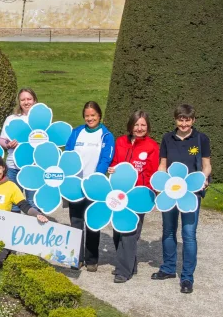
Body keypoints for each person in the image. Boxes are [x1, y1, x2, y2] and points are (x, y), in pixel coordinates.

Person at [152, 104, 211, 294]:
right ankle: (169, 268)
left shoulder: (201, 139)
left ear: (193, 120)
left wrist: (203, 179)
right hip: (170, 193)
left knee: (188, 234)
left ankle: (187, 277)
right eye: (180, 119)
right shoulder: (167, 138)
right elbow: (162, 164)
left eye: (187, 120)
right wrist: (160, 183)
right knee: (168, 230)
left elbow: (206, 165)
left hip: (190, 194)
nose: (184, 123)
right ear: (175, 120)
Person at [0, 153, 50, 265]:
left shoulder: (11, 186)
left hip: (2, 231)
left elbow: (24, 205)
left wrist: (37, 214)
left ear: (3, 168)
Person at [108, 110, 158, 284]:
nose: (139, 128)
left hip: (139, 195)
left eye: (143, 125)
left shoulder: (152, 146)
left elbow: (153, 173)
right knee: (117, 231)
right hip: (119, 194)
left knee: (129, 233)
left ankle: (123, 271)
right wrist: (111, 169)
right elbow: (114, 163)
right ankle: (130, 264)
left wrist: (150, 193)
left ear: (148, 127)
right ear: (131, 125)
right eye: (136, 124)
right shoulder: (120, 141)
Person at [65, 101, 115, 272]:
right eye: (87, 116)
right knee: (76, 221)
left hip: (94, 185)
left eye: (93, 115)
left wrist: (96, 178)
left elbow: (105, 159)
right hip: (76, 185)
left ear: (99, 116)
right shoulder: (77, 132)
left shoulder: (106, 135)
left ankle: (91, 259)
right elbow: (68, 154)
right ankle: (76, 257)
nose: (90, 118)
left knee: (92, 222)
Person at [0, 88, 38, 184]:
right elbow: (1, 139)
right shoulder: (11, 119)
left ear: (34, 101)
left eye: (29, 99)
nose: (26, 102)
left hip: (34, 167)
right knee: (13, 198)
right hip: (13, 167)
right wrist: (8, 144)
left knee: (31, 199)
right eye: (23, 100)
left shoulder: (41, 120)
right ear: (19, 102)